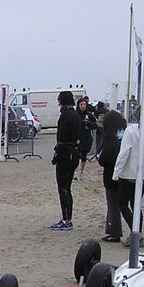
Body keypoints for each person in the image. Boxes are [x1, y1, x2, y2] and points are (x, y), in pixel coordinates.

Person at [112, 117, 144, 247]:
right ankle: (138, 233)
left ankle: (136, 233)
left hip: (130, 173)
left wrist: (116, 173)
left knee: (122, 203)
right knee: (136, 205)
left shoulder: (130, 131)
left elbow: (124, 152)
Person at [50, 90, 82, 231]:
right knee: (67, 188)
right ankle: (68, 218)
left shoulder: (65, 116)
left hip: (66, 155)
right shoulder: (76, 114)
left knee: (63, 188)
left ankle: (66, 220)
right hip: (74, 153)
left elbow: (62, 139)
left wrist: (57, 156)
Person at [97, 110, 126, 243]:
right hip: (124, 174)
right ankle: (112, 230)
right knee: (117, 204)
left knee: (113, 204)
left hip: (111, 175)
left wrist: (100, 158)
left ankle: (114, 232)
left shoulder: (110, 138)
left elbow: (104, 159)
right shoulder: (124, 136)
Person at [74, 95, 97, 180]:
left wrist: (88, 124)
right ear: (78, 105)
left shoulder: (89, 115)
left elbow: (95, 125)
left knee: (83, 156)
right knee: (76, 155)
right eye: (81, 104)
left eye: (84, 104)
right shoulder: (75, 114)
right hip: (77, 138)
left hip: (86, 138)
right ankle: (76, 172)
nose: (83, 106)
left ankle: (81, 172)